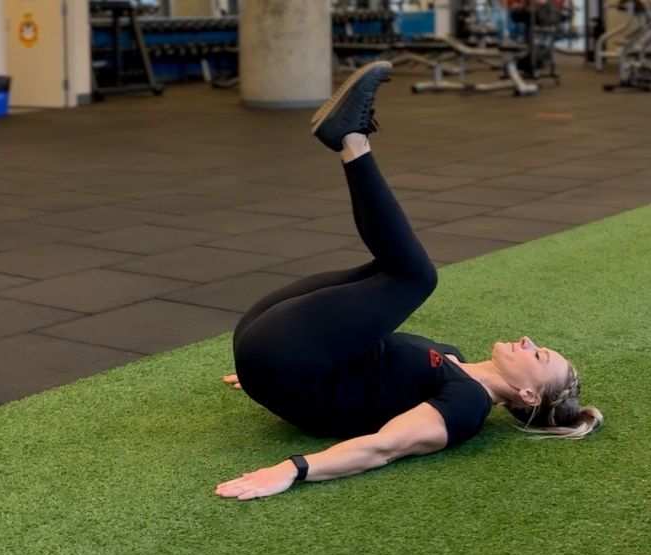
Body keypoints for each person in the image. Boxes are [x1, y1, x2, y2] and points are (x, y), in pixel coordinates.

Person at [215, 61, 603, 501]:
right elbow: (366, 365)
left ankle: (352, 141)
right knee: (392, 269)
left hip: (283, 364)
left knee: (416, 277)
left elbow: (385, 447)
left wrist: (292, 470)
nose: (530, 341)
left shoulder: (466, 407)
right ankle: (349, 140)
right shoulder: (451, 356)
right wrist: (260, 375)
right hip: (275, 353)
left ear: (529, 395)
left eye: (540, 355)